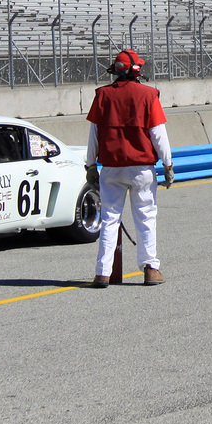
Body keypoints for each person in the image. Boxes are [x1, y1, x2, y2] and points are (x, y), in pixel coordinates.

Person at [84, 49, 174, 287]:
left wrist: (91, 165)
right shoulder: (148, 95)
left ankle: (103, 272)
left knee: (109, 218)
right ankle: (150, 269)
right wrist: (168, 163)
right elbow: (158, 134)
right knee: (145, 217)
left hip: (111, 168)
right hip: (141, 169)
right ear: (137, 71)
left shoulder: (102, 96)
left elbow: (94, 134)